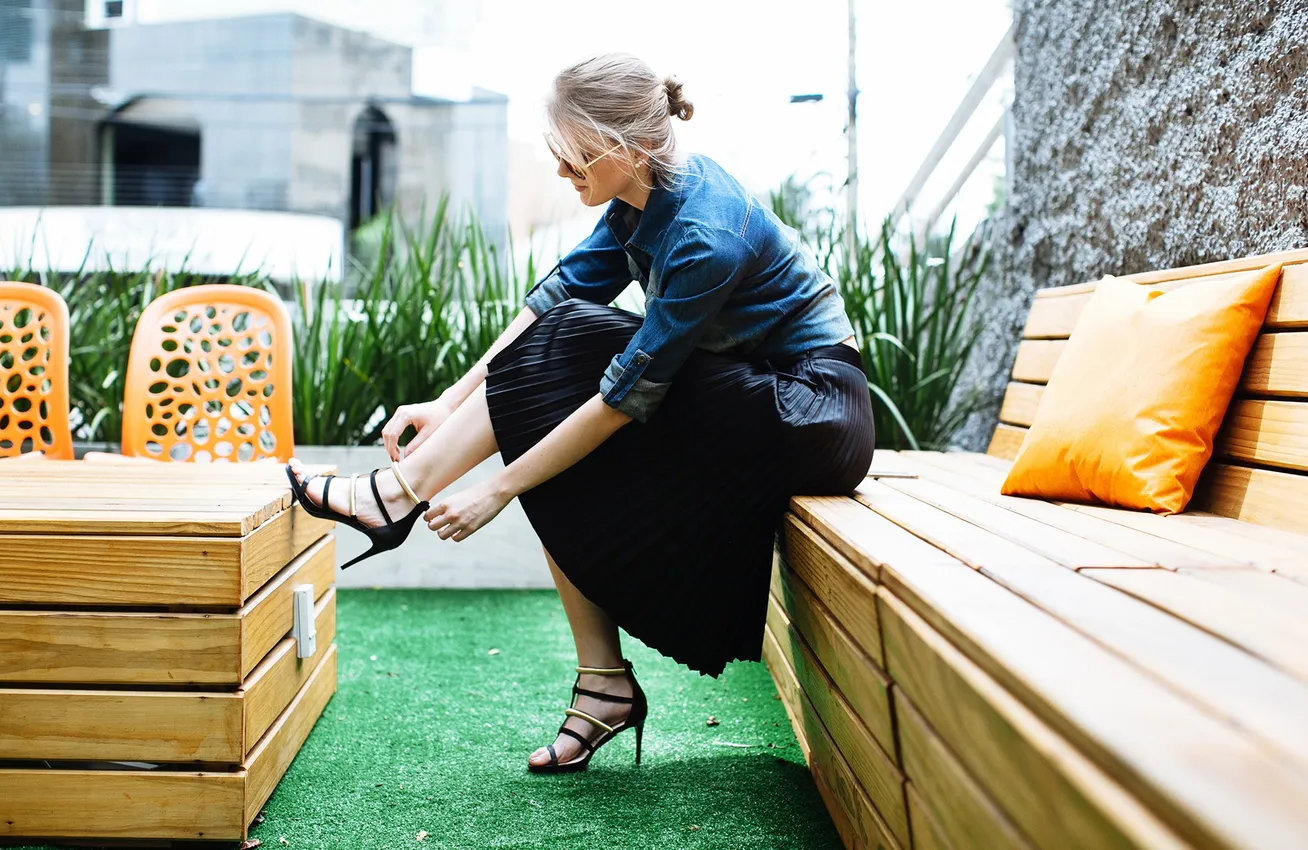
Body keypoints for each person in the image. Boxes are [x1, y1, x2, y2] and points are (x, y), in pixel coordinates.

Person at [286, 52, 875, 774]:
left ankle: (395, 495)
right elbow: (558, 295)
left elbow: (622, 397)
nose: (563, 171)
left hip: (809, 411)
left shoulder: (705, 234)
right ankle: (603, 686)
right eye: (557, 152)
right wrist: (449, 401)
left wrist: (498, 490)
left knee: (571, 356)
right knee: (556, 375)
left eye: (577, 155)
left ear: (635, 147)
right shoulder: (642, 193)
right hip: (749, 390)